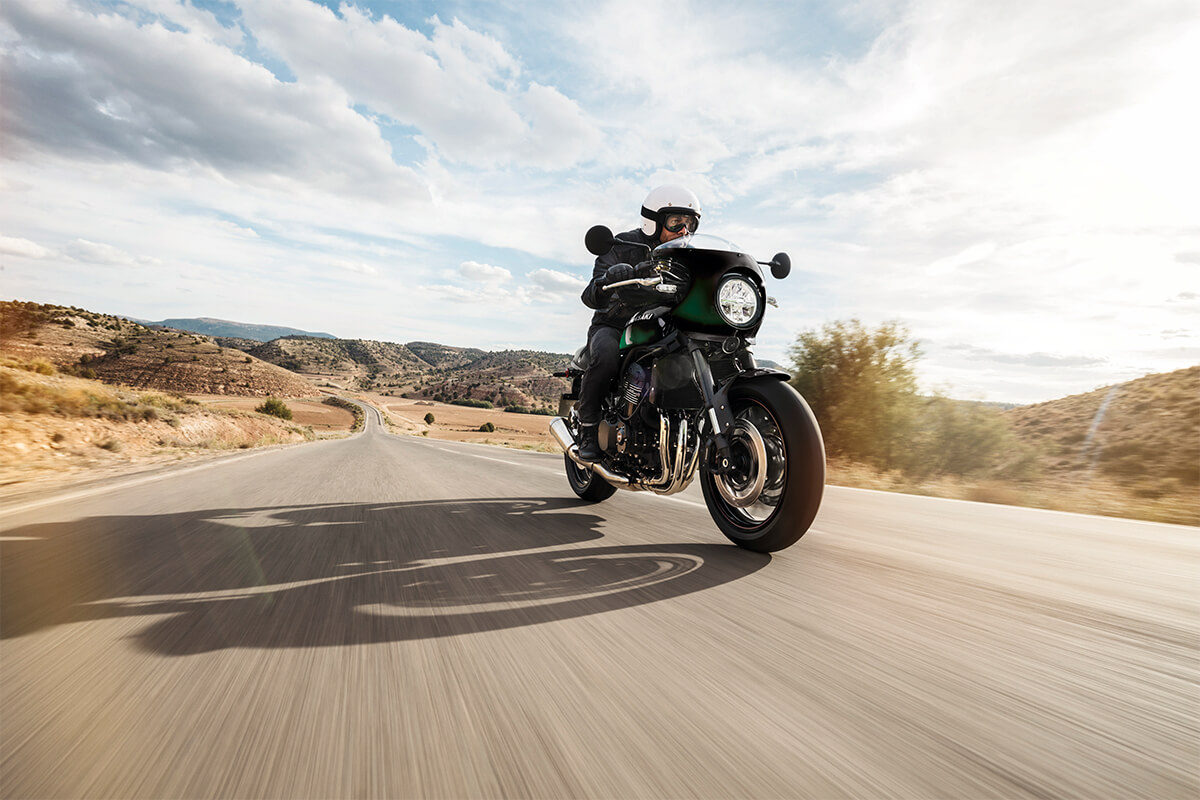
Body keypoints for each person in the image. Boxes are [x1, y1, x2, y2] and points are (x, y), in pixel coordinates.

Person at [575, 184, 702, 461]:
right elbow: (590, 295)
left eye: (689, 224)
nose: (684, 231)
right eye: (675, 222)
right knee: (607, 356)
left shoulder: (688, 258)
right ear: (653, 222)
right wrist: (609, 279)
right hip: (615, 325)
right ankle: (587, 430)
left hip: (662, 326)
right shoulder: (621, 246)